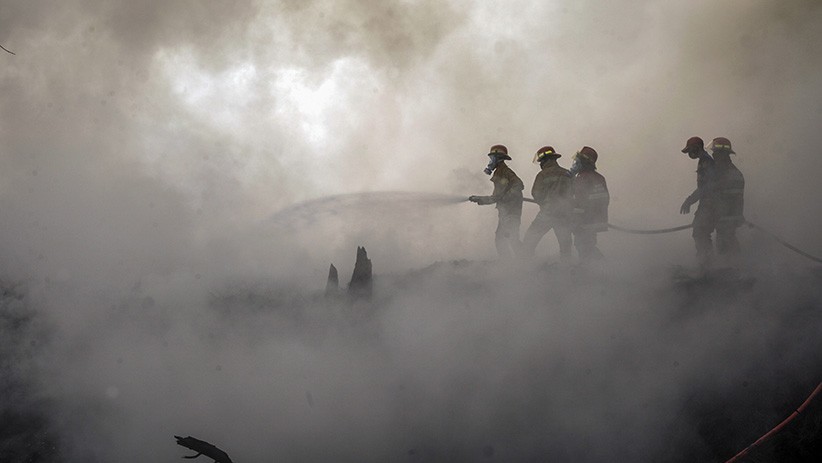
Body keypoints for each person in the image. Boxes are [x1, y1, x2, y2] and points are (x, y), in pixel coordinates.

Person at [469, 144, 524, 260]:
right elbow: (496, 197)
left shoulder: (505, 171)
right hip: (506, 212)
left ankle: (525, 262)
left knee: (509, 238)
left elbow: (519, 184)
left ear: (497, 158)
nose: (490, 161)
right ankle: (510, 265)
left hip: (511, 211)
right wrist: (480, 199)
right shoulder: (499, 172)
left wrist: (506, 197)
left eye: (492, 158)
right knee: (502, 239)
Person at [521, 146, 573, 261]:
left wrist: (545, 203)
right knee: (565, 244)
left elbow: (536, 193)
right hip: (564, 214)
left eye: (541, 161)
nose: (540, 164)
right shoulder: (567, 173)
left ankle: (524, 265)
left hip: (548, 213)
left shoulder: (543, 175)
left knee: (530, 239)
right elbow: (575, 193)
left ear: (545, 160)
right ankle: (567, 268)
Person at [679, 136, 718, 267]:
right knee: (700, 232)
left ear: (696, 148)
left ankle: (706, 264)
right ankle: (705, 262)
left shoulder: (706, 162)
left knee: (700, 232)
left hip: (710, 204)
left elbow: (707, 186)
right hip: (707, 203)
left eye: (690, 150)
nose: (689, 154)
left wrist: (689, 200)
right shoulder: (703, 161)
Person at [569, 146, 609, 263]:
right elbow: (605, 199)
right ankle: (595, 268)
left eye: (578, 160)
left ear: (584, 162)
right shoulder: (599, 177)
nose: (576, 163)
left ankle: (597, 268)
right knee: (588, 245)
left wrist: (574, 217)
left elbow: (579, 202)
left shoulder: (582, 178)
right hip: (596, 220)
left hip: (584, 221)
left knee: (583, 246)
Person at [708, 137, 745, 262]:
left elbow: (734, 199)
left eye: (715, 152)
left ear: (722, 154)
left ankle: (734, 267)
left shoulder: (732, 174)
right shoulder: (723, 172)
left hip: (727, 217)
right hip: (724, 216)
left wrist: (733, 216)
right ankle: (733, 266)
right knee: (724, 239)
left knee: (726, 240)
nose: (713, 155)